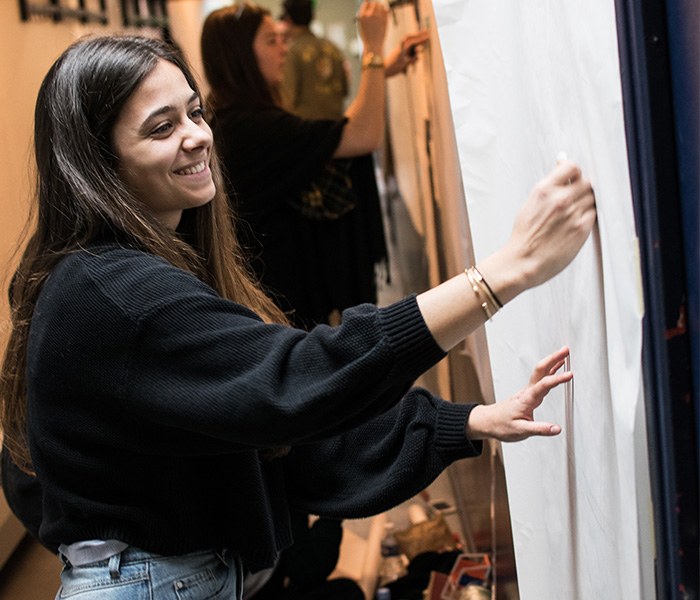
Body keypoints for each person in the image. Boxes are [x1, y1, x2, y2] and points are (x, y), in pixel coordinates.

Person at [0, 32, 595, 600]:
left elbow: (278, 439)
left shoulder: (126, 274)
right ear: (99, 165)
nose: (196, 136)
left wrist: (464, 422)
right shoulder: (110, 292)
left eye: (195, 112)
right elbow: (292, 384)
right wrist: (501, 274)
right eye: (161, 128)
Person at [201, 2, 429, 329]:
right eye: (271, 41)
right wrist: (374, 49)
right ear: (240, 57)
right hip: (281, 305)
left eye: (282, 38)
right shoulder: (252, 126)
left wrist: (382, 69)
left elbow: (321, 141)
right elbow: (360, 136)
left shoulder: (229, 117)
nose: (284, 48)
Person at [279, 0, 350, 120]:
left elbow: (288, 100)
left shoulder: (292, 52)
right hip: (335, 128)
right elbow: (344, 90)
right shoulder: (333, 49)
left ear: (288, 20)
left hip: (306, 130)